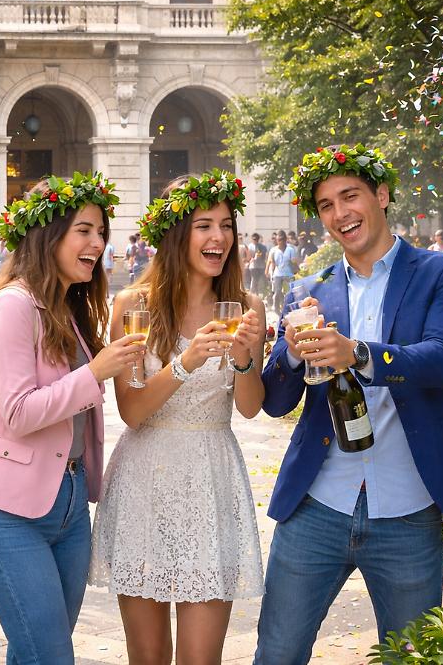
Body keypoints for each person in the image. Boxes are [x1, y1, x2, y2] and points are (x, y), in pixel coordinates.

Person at [255, 144, 443, 663]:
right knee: (276, 653)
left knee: (410, 657)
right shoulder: (305, 292)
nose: (339, 214)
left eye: (350, 196)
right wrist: (292, 358)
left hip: (408, 510)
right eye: (324, 205)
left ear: (381, 196)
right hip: (316, 506)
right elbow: (275, 401)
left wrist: (358, 353)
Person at [0, 173, 145, 663]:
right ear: (49, 236)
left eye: (101, 231)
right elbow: (19, 412)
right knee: (49, 655)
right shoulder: (13, 306)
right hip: (9, 514)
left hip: (68, 509)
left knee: (34, 652)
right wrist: (95, 373)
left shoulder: (66, 309)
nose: (98, 242)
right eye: (84, 230)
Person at [90, 169, 265, 665]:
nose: (219, 237)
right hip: (145, 478)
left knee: (201, 658)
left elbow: (250, 407)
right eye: (204, 225)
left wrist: (247, 359)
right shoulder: (133, 304)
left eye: (227, 225)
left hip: (212, 477)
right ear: (176, 235)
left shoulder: (246, 306)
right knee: (147, 656)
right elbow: (133, 411)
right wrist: (185, 365)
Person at [266, 230, 298, 313]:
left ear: (285, 240)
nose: (280, 242)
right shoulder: (274, 250)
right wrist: (270, 274)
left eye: (282, 239)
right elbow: (272, 263)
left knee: (290, 291)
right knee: (277, 292)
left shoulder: (290, 249)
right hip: (278, 273)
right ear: (277, 240)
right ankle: (277, 309)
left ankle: (290, 308)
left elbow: (294, 262)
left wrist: (296, 271)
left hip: (288, 273)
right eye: (279, 240)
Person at [247, 232, 269, 298]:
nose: (255, 241)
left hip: (261, 266)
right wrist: (252, 259)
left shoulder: (262, 247)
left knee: (261, 281)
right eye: (254, 239)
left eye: (256, 239)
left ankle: (260, 295)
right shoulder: (249, 246)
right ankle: (252, 295)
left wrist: (261, 255)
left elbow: (265, 256)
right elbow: (248, 256)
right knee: (254, 280)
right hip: (253, 266)